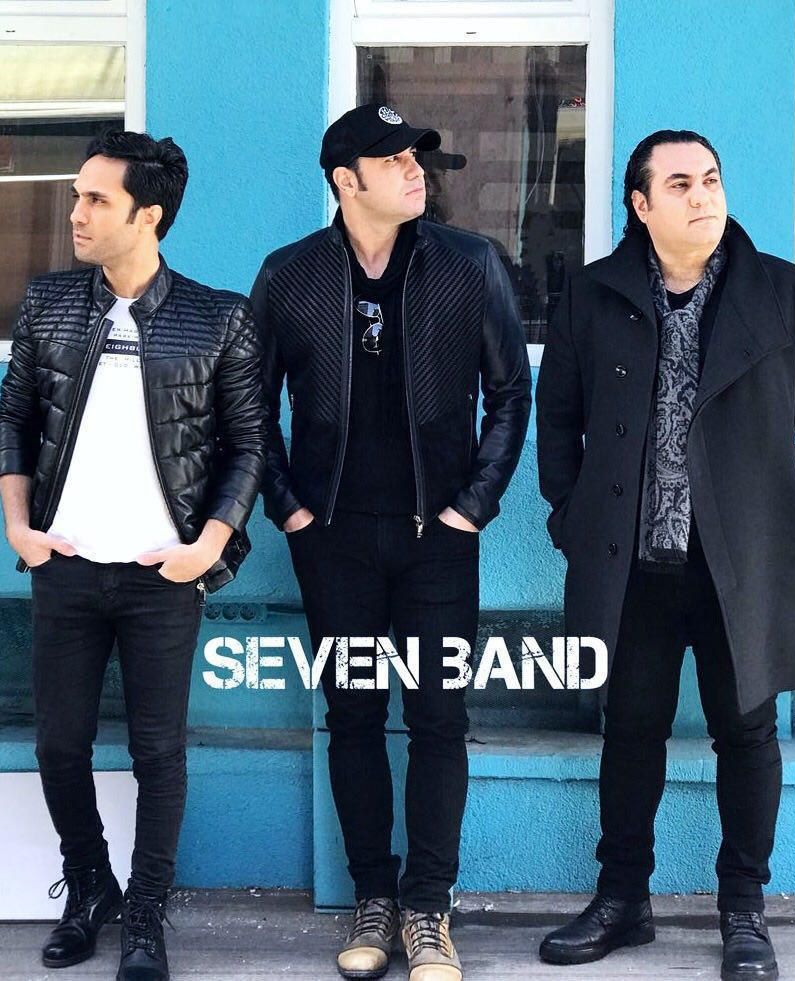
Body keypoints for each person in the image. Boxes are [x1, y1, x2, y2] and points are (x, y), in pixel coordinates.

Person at [535, 130, 795, 981]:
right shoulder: (592, 296)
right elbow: (556, 421)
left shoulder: (784, 293)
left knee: (745, 733)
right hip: (629, 561)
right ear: (640, 204)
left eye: (709, 178)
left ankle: (742, 908)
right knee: (628, 729)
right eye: (678, 183)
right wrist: (569, 520)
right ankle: (620, 898)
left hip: (740, 566)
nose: (701, 194)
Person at [252, 104, 531, 981]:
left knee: (440, 717)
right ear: (346, 181)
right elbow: (247, 405)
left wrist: (471, 509)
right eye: (394, 160)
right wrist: (290, 511)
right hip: (331, 538)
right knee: (353, 714)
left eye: (418, 157)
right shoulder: (290, 275)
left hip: (437, 539)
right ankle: (373, 895)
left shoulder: (467, 264)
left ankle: (427, 908)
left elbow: (510, 394)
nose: (416, 171)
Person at [0, 130, 266, 981]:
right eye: (76, 195)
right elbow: (14, 418)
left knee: (158, 751)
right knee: (58, 745)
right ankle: (90, 887)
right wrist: (20, 529)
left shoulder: (217, 316)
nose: (75, 212)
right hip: (65, 564)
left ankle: (146, 910)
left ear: (147, 216)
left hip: (161, 573)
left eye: (95, 199)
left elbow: (250, 443)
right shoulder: (48, 303)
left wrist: (206, 547)